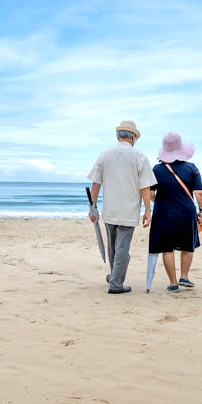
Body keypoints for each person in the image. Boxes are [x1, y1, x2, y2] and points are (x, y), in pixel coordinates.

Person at [88, 120, 156, 294]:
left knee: (113, 247)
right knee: (122, 249)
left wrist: (92, 206)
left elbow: (96, 183)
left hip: (109, 209)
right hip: (129, 210)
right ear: (133, 137)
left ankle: (114, 276)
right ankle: (116, 284)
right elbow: (145, 187)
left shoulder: (105, 154)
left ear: (118, 136)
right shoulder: (139, 156)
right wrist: (148, 210)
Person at [148, 132, 202, 292]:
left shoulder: (157, 169)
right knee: (188, 244)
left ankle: (173, 283)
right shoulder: (191, 168)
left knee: (167, 247)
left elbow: (151, 193)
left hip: (164, 212)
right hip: (186, 211)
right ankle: (184, 277)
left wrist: (160, 200)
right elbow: (199, 193)